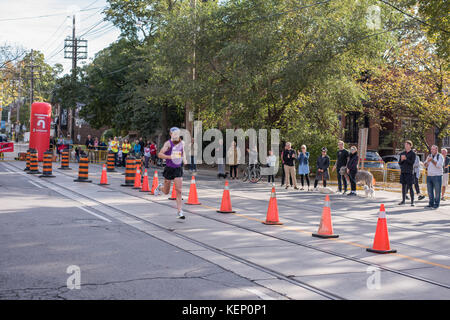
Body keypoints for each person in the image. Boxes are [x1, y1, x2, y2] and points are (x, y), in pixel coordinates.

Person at [154, 127, 186, 219]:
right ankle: (160, 187)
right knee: (166, 191)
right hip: (169, 168)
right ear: (171, 134)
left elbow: (182, 153)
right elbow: (159, 154)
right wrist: (170, 157)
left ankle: (180, 211)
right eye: (174, 133)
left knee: (179, 190)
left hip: (178, 168)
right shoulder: (168, 143)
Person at [424, 145, 443, 209]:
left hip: (437, 176)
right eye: (431, 149)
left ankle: (436, 204)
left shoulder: (440, 156)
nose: (432, 150)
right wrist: (428, 161)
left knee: (437, 191)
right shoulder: (429, 156)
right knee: (429, 191)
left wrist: (432, 160)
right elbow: (425, 165)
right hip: (429, 176)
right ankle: (431, 203)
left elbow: (439, 165)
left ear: (437, 150)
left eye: (433, 149)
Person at [398, 140, 416, 206]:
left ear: (410, 146)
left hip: (409, 172)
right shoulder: (402, 153)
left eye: (407, 145)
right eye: (405, 145)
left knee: (410, 187)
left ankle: (412, 201)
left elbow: (412, 163)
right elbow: (399, 163)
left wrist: (406, 159)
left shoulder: (413, 153)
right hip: (403, 172)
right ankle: (403, 201)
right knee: (403, 187)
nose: (406, 146)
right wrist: (402, 160)